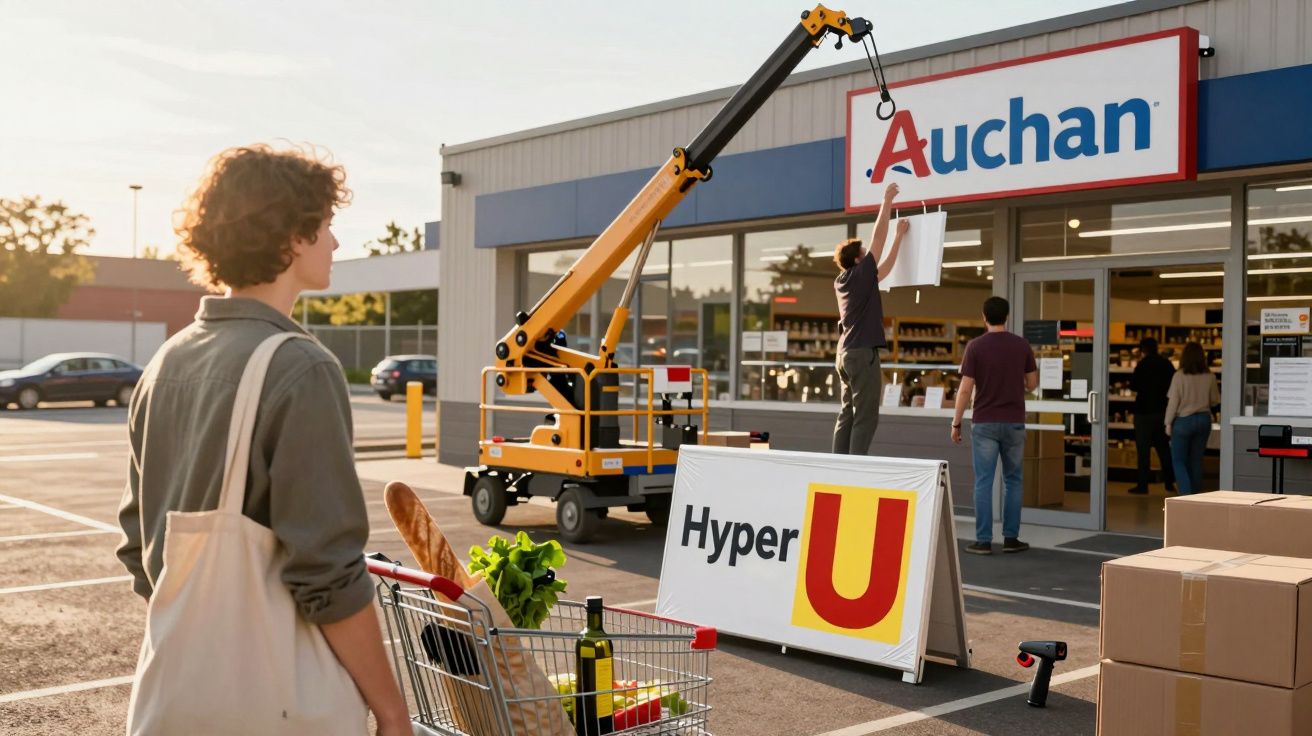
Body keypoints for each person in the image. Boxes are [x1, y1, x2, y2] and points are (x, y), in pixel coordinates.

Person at [115, 145, 410, 734]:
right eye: (325, 226)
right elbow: (326, 573)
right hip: (276, 707)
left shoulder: (165, 362)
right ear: (292, 238)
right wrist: (392, 708)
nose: (334, 242)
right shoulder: (300, 368)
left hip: (175, 692)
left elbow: (138, 544)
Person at [951, 296, 1038, 555]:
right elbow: (1032, 384)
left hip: (985, 422)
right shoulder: (1021, 345)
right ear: (1007, 317)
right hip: (1014, 422)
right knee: (1013, 480)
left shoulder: (975, 347)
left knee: (984, 482)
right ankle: (1011, 538)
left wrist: (956, 423)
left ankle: (983, 540)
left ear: (984, 317)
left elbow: (965, 390)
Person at [832, 182, 909, 454]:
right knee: (866, 416)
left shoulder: (844, 281)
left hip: (844, 354)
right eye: (864, 255)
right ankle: (855, 468)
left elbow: (883, 270)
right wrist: (886, 200)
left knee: (848, 413)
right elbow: (878, 237)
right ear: (856, 260)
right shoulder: (859, 273)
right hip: (863, 352)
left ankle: (839, 466)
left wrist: (900, 237)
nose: (869, 257)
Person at [1165, 341, 1220, 495]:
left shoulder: (1179, 376)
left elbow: (1173, 402)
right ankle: (1195, 497)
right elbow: (1215, 400)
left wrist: (1168, 423)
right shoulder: (1210, 376)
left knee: (1179, 461)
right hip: (1203, 420)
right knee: (1196, 460)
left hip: (1183, 421)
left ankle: (1185, 496)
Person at [1129, 337, 1177, 494]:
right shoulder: (1166, 364)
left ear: (1143, 349)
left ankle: (1143, 485)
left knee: (1143, 451)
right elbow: (1174, 385)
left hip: (1143, 412)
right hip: (1162, 411)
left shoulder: (1142, 365)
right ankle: (1169, 482)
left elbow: (1133, 385)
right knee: (1164, 449)